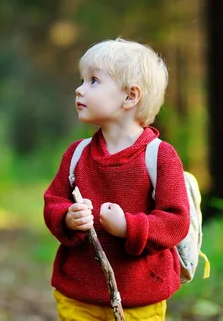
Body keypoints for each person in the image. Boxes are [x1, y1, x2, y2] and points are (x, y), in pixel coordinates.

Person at [43, 38, 191, 320]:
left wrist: (129, 227)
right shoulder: (77, 154)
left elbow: (176, 221)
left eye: (93, 81)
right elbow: (53, 202)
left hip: (140, 298)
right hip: (78, 295)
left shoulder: (160, 156)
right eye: (82, 80)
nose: (79, 89)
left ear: (130, 97)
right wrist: (67, 217)